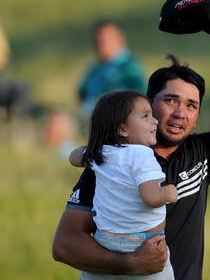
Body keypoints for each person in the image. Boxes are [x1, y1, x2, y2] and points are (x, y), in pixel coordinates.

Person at [53, 14, 210, 280]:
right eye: (171, 100)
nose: (180, 113)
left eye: (191, 105)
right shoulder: (114, 161)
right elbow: (64, 245)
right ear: (149, 104)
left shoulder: (202, 152)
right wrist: (132, 263)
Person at [69, 91, 178, 279]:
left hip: (105, 240)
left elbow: (73, 157)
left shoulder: (102, 153)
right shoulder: (142, 154)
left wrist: (93, 149)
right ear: (123, 130)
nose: (155, 121)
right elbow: (151, 198)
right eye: (146, 116)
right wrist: (169, 193)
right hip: (145, 244)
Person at [78, 19, 147, 121]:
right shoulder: (95, 67)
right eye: (99, 41)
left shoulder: (130, 67)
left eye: (106, 41)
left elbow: (139, 95)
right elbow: (82, 92)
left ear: (120, 40)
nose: (101, 45)